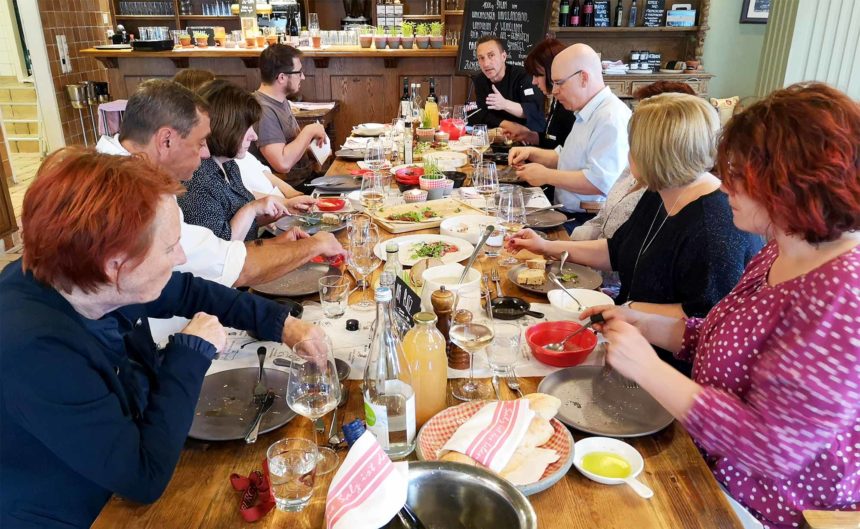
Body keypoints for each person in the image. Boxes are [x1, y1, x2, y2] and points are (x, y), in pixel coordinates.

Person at [0, 149, 326, 529]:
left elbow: (190, 290)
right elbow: (143, 477)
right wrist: (190, 353)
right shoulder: (35, 351)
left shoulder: (89, 275)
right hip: (83, 511)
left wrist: (281, 324)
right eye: (170, 247)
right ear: (115, 266)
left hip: (134, 457)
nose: (181, 255)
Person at [584, 83, 860, 529]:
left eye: (741, 174)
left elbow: (772, 448)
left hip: (761, 506)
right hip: (705, 457)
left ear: (792, 186)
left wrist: (648, 369)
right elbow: (721, 334)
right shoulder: (785, 247)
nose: (722, 182)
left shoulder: (842, 297)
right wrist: (646, 324)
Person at [508, 93, 762, 373]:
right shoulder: (661, 189)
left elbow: (703, 319)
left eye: (632, 147)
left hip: (665, 369)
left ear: (654, 154)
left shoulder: (715, 227)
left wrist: (629, 308)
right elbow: (617, 251)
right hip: (628, 340)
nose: (628, 159)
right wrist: (545, 246)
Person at [96, 79, 344, 288]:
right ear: (166, 140)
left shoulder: (139, 173)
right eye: (200, 142)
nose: (205, 153)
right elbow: (220, 265)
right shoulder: (126, 193)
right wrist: (313, 246)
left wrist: (277, 243)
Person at [508, 43, 631, 231]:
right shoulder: (586, 111)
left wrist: (546, 176)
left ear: (583, 77)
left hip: (587, 221)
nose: (554, 90)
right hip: (567, 212)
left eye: (559, 82)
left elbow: (600, 182)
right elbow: (567, 158)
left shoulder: (610, 118)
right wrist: (530, 152)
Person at [177, 79, 312, 242]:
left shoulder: (229, 165)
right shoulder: (197, 179)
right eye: (246, 128)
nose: (254, 136)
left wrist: (287, 207)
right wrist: (252, 208)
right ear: (225, 128)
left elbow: (246, 225)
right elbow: (222, 248)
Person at [570, 81, 696, 242]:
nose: (634, 123)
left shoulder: (667, 187)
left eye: (641, 119)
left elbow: (625, 251)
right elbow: (602, 219)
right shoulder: (632, 166)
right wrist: (570, 243)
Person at [249, 44, 329, 188]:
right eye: (299, 72)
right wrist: (308, 132)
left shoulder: (280, 100)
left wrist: (313, 150)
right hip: (289, 192)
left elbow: (288, 146)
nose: (303, 77)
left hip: (305, 180)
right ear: (281, 77)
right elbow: (282, 163)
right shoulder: (263, 110)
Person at [499, 38, 574, 149]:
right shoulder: (557, 100)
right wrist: (527, 135)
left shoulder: (571, 107)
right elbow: (552, 140)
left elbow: (565, 155)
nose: (534, 82)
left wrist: (531, 154)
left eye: (538, 75)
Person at [468, 35, 546, 134]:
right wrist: (508, 125)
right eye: (481, 58)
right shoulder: (480, 80)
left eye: (491, 55)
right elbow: (483, 112)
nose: (486, 63)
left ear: (503, 56)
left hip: (528, 136)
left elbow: (535, 111)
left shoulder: (523, 76)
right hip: (499, 135)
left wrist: (504, 104)